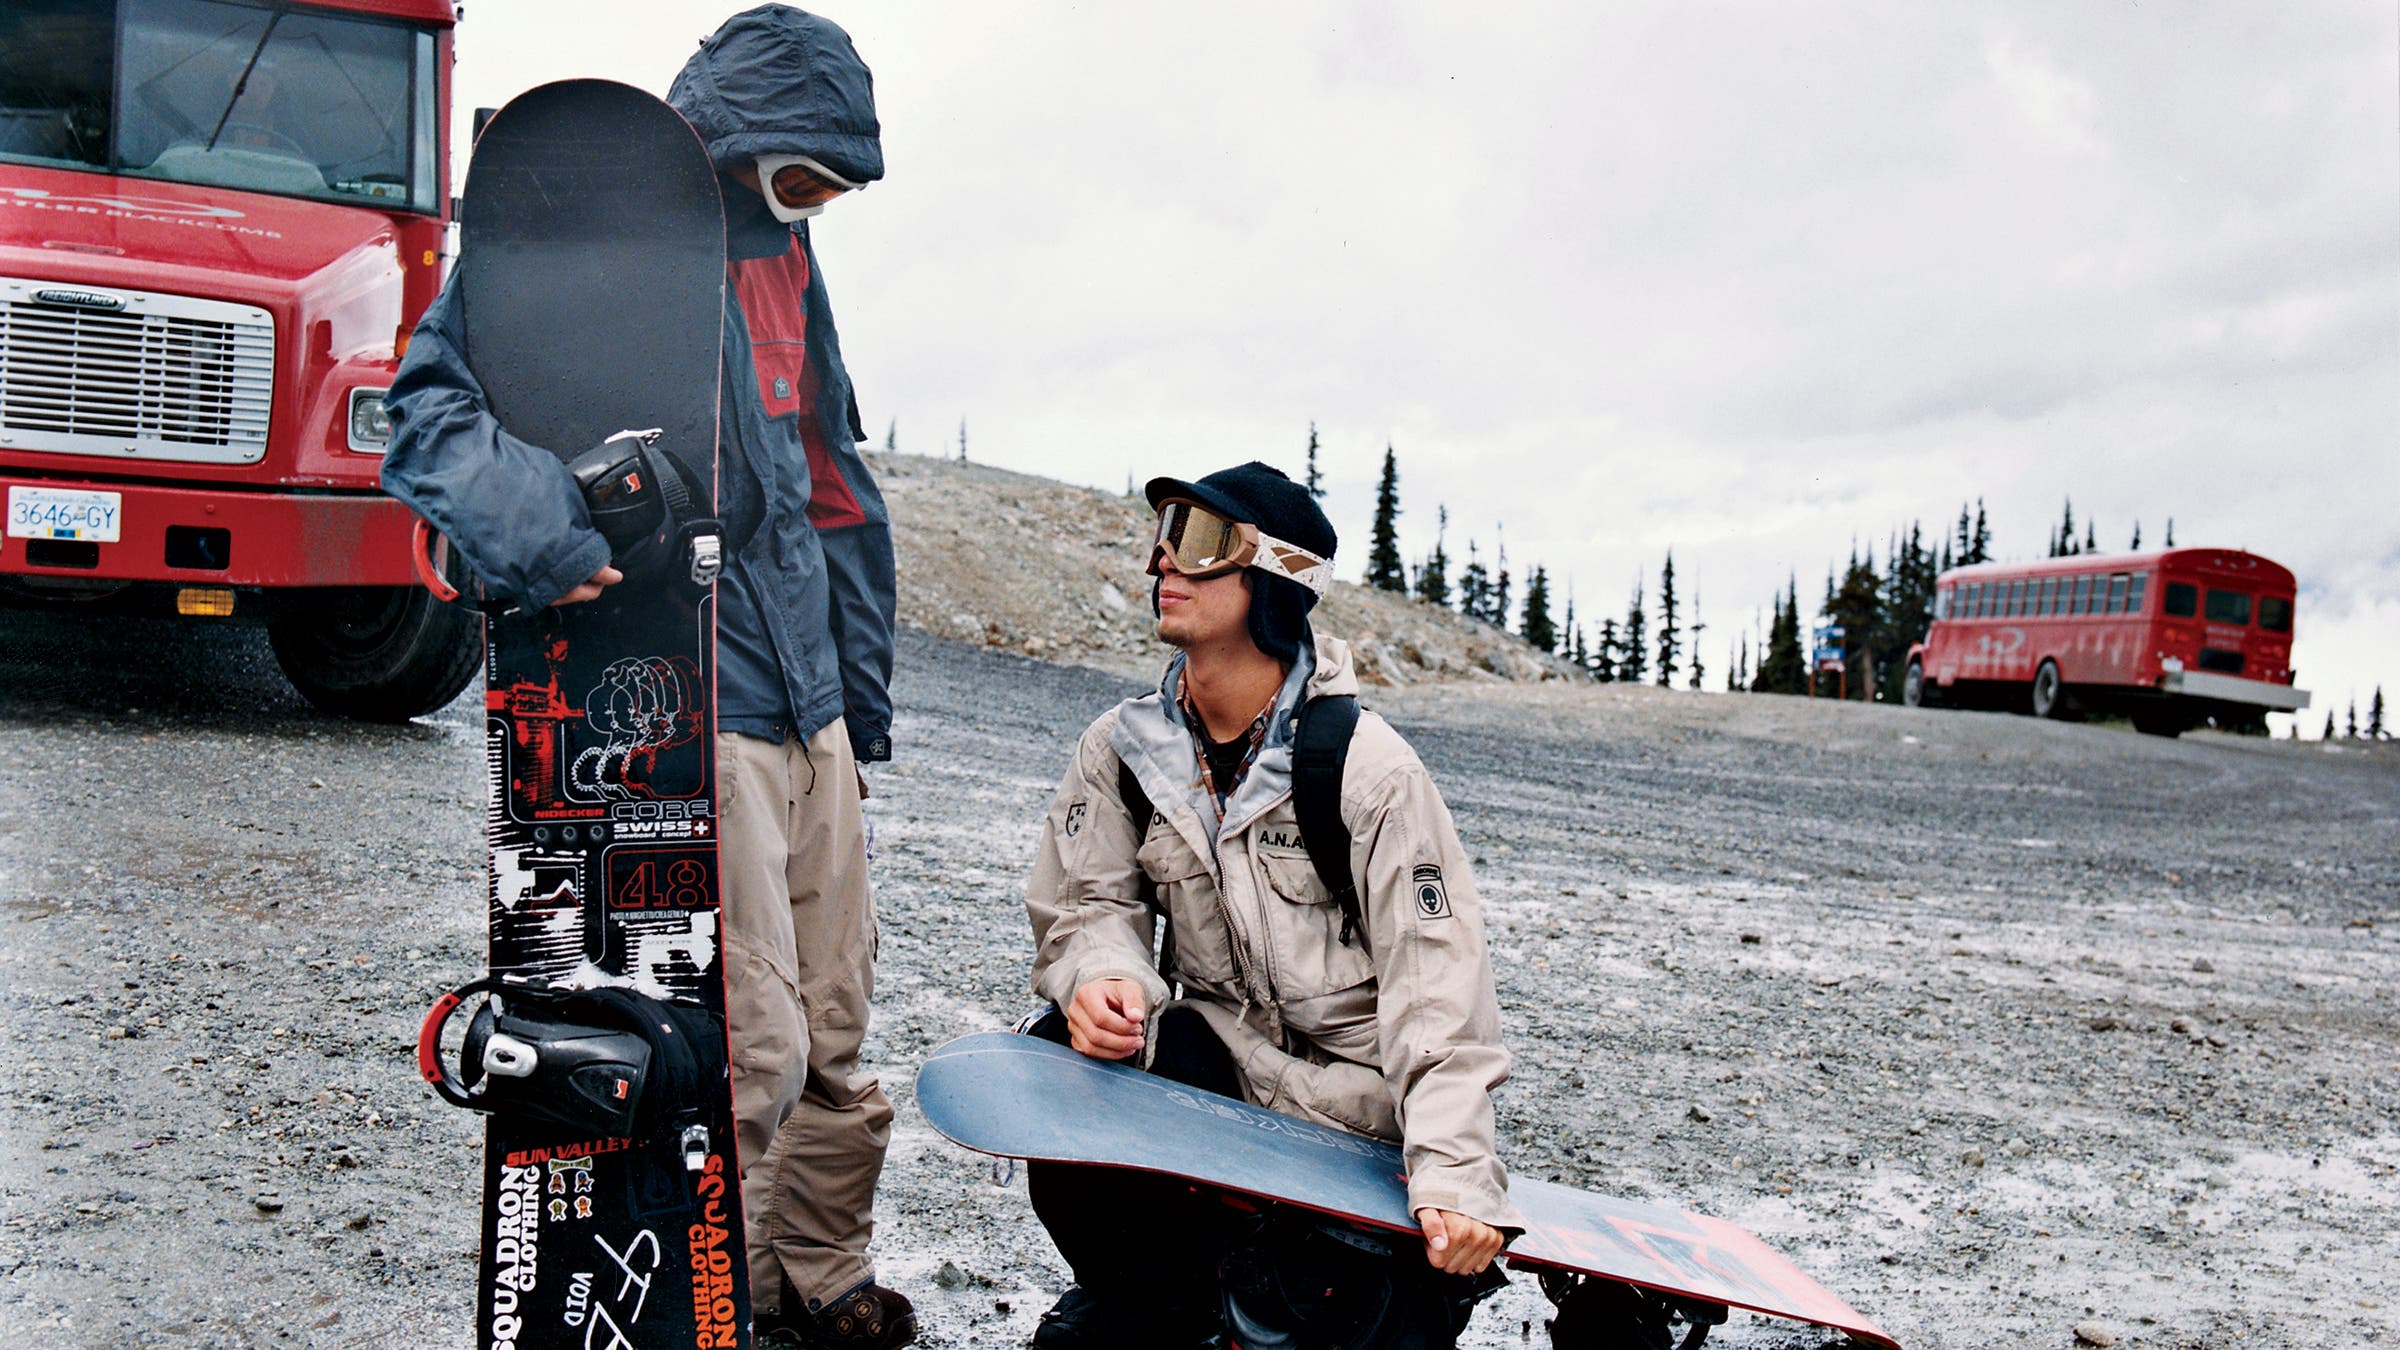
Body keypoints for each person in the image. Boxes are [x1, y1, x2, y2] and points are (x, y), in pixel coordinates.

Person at [379, 8, 911, 1348]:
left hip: (808, 702)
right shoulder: (583, 230)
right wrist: (543, 532)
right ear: (730, 144)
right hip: (692, 698)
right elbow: (426, 422)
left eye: (836, 191)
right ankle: (685, 1290)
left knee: (840, 1032)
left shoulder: (789, 261)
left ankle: (814, 1279)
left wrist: (861, 681)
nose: (817, 211)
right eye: (802, 179)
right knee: (753, 1048)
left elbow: (829, 466)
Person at [1021, 462, 1523, 1348]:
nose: (1165, 560)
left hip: (1349, 1120)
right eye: (1165, 532)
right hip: (1219, 1083)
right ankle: (1146, 1296)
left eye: (1204, 540)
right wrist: (1103, 976)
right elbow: (1088, 902)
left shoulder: (1368, 772)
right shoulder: (1123, 747)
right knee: (1058, 1054)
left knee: (1337, 1323)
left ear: (1276, 578)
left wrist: (1451, 1178)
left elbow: (1438, 992)